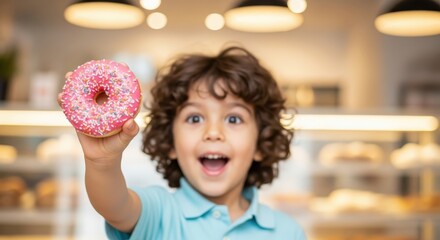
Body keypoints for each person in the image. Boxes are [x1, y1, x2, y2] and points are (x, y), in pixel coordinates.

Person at [64, 46, 306, 239]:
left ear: (261, 144)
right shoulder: (158, 213)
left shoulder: (287, 231)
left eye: (234, 118)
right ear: (170, 142)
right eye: (194, 118)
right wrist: (102, 162)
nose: (213, 132)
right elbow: (114, 205)